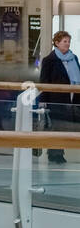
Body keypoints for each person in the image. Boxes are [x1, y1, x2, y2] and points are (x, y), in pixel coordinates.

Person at [39, 30, 80, 164]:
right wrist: (43, 101)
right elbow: (44, 82)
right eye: (64, 41)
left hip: (73, 98)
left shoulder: (74, 58)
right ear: (56, 43)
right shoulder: (49, 60)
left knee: (65, 126)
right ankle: (55, 154)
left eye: (68, 41)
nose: (67, 44)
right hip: (57, 99)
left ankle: (58, 152)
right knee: (57, 126)